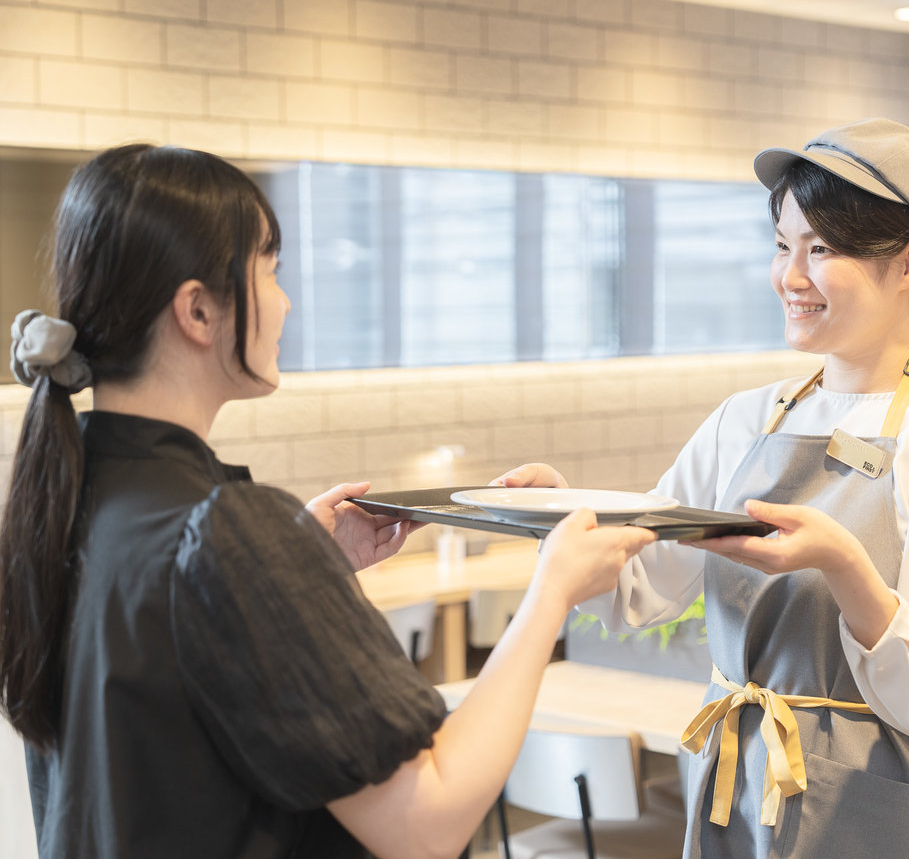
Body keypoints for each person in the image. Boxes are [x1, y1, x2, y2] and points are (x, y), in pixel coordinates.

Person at [0, 143, 656, 859]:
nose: (284, 302)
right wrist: (552, 592)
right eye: (270, 271)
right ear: (197, 311)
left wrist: (297, 572)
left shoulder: (70, 501)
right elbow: (428, 820)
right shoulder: (225, 531)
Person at [496, 118, 909, 857]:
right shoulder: (746, 419)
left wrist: (843, 563)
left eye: (823, 249)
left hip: (863, 804)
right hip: (731, 784)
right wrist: (560, 510)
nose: (791, 277)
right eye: (783, 245)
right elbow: (644, 583)